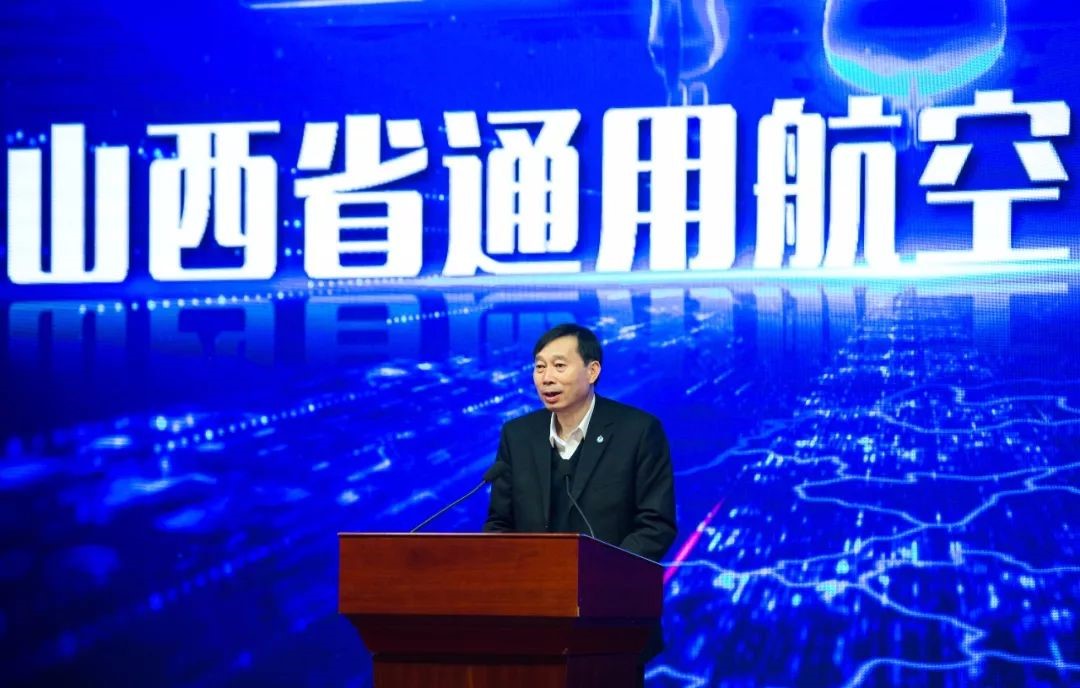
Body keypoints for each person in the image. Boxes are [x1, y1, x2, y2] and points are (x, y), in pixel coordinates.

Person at [483, 323, 677, 675]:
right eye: (539, 367)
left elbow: (656, 524)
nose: (546, 378)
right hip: (530, 622)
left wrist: (599, 579)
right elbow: (500, 523)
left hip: (612, 625)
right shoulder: (518, 435)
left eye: (559, 366)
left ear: (592, 371)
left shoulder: (638, 431)